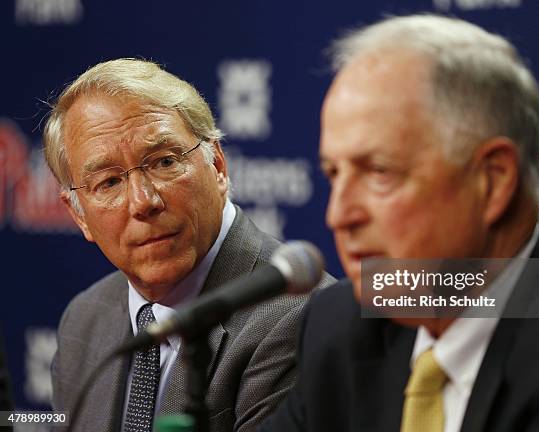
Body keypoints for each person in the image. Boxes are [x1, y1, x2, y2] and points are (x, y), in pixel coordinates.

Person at [260, 15, 539, 432]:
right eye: (334, 174)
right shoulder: (340, 324)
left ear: (493, 181)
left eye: (379, 172)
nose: (338, 215)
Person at [43, 58, 334, 432]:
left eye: (164, 161)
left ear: (218, 166)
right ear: (78, 214)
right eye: (109, 183)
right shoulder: (84, 320)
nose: (143, 201)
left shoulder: (300, 319)